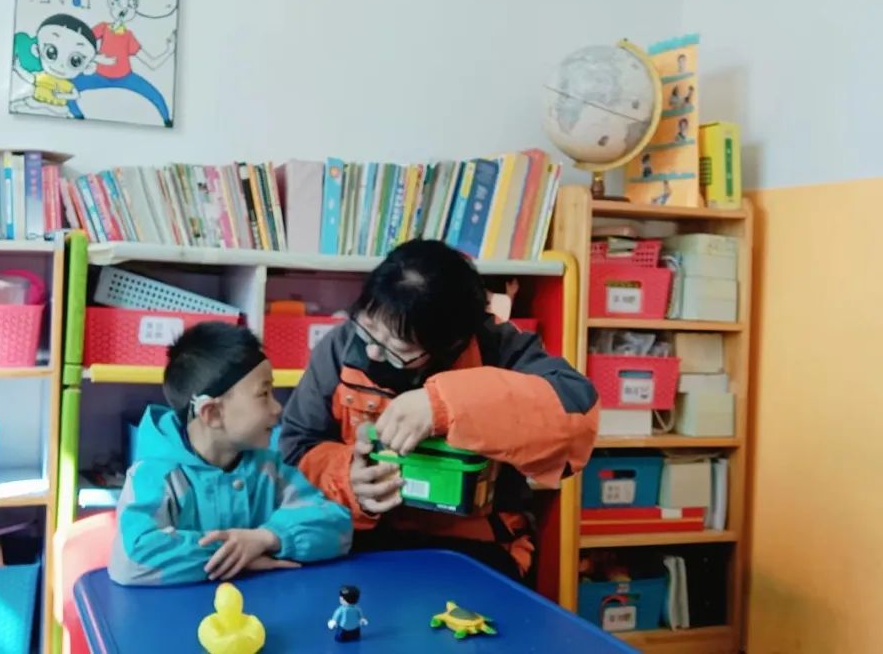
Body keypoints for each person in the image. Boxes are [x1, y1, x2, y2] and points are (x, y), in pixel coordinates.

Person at [280, 240, 598, 579]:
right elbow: (298, 445)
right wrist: (350, 481)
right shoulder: (341, 347)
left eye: (398, 346)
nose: (372, 351)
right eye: (368, 327)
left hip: (474, 543)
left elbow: (575, 419)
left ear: (450, 342)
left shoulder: (498, 348)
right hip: (361, 536)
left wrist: (445, 405)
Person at [109, 323, 352, 586]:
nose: (277, 408)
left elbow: (337, 527)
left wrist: (266, 538)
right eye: (264, 394)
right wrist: (239, 555)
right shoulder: (155, 475)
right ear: (212, 413)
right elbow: (132, 557)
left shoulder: (269, 468)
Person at [69, 0, 176, 124]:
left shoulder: (128, 36)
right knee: (68, 87)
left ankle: (167, 120)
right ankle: (78, 117)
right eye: (124, 0)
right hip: (98, 76)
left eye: (133, 2)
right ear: (112, 3)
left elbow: (152, 63)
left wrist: (169, 51)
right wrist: (97, 58)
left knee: (155, 95)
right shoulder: (103, 27)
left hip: (126, 77)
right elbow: (80, 46)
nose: (127, 7)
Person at [11, 13, 100, 116]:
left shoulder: (68, 86)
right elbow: (30, 78)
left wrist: (62, 96)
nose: (61, 65)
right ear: (37, 50)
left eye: (75, 61)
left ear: (88, 68)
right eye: (51, 52)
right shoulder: (41, 77)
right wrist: (17, 67)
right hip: (35, 103)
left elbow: (75, 95)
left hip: (58, 110)